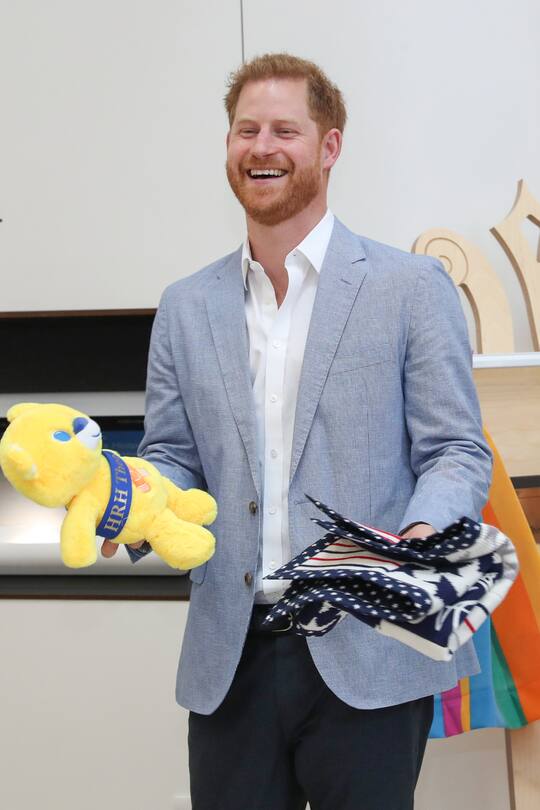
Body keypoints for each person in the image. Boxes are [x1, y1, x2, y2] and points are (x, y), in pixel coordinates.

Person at [102, 53, 492, 810]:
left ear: (329, 147)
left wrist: (418, 533)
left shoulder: (410, 288)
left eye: (285, 129)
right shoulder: (185, 307)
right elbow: (173, 458)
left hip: (368, 650)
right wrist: (133, 500)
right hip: (231, 657)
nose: (262, 147)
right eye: (245, 130)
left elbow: (455, 450)